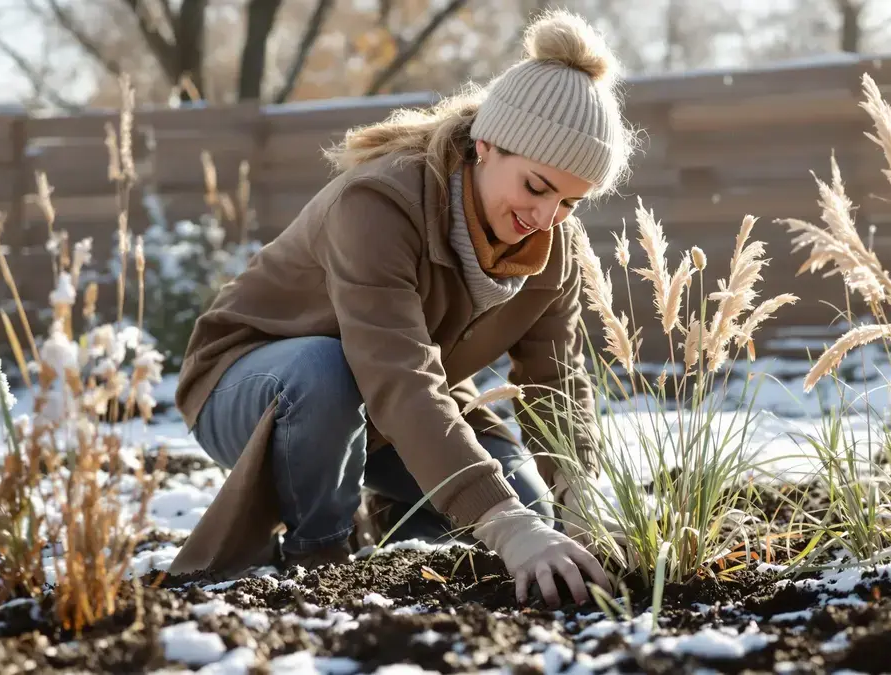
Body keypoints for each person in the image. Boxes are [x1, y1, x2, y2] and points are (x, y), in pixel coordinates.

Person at [164, 9, 638, 609]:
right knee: (325, 373)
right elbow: (398, 374)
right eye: (537, 187)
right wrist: (505, 524)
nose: (545, 217)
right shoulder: (380, 204)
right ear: (485, 145)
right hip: (257, 386)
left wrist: (580, 500)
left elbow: (556, 383)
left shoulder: (552, 248)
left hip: (386, 405)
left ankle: (394, 529)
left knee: (526, 513)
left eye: (571, 202)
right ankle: (321, 559)